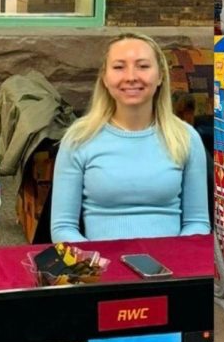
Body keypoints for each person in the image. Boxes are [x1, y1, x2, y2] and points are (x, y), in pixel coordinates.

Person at [50, 33, 210, 242]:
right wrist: (96, 265)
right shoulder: (79, 138)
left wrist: (173, 261)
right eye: (119, 67)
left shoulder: (186, 138)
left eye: (143, 66)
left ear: (160, 76)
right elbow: (63, 228)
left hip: (171, 269)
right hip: (102, 267)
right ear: (105, 78)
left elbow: (197, 222)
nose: (131, 76)